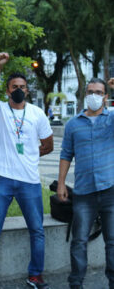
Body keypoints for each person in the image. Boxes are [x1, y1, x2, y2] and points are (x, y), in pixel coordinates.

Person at [0, 52, 53, 289]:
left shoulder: (37, 114)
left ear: (27, 90)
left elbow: (48, 144)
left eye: (22, 86)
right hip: (1, 178)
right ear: (8, 90)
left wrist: (30, 155)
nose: (18, 89)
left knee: (37, 230)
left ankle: (35, 275)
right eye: (14, 87)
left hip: (29, 181)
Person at [57, 77, 114, 289]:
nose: (94, 96)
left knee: (113, 242)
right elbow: (66, 154)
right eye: (91, 91)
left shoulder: (112, 119)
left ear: (106, 97)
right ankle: (76, 284)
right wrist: (61, 184)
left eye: (99, 92)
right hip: (83, 193)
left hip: (110, 190)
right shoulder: (73, 124)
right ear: (85, 95)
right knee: (79, 241)